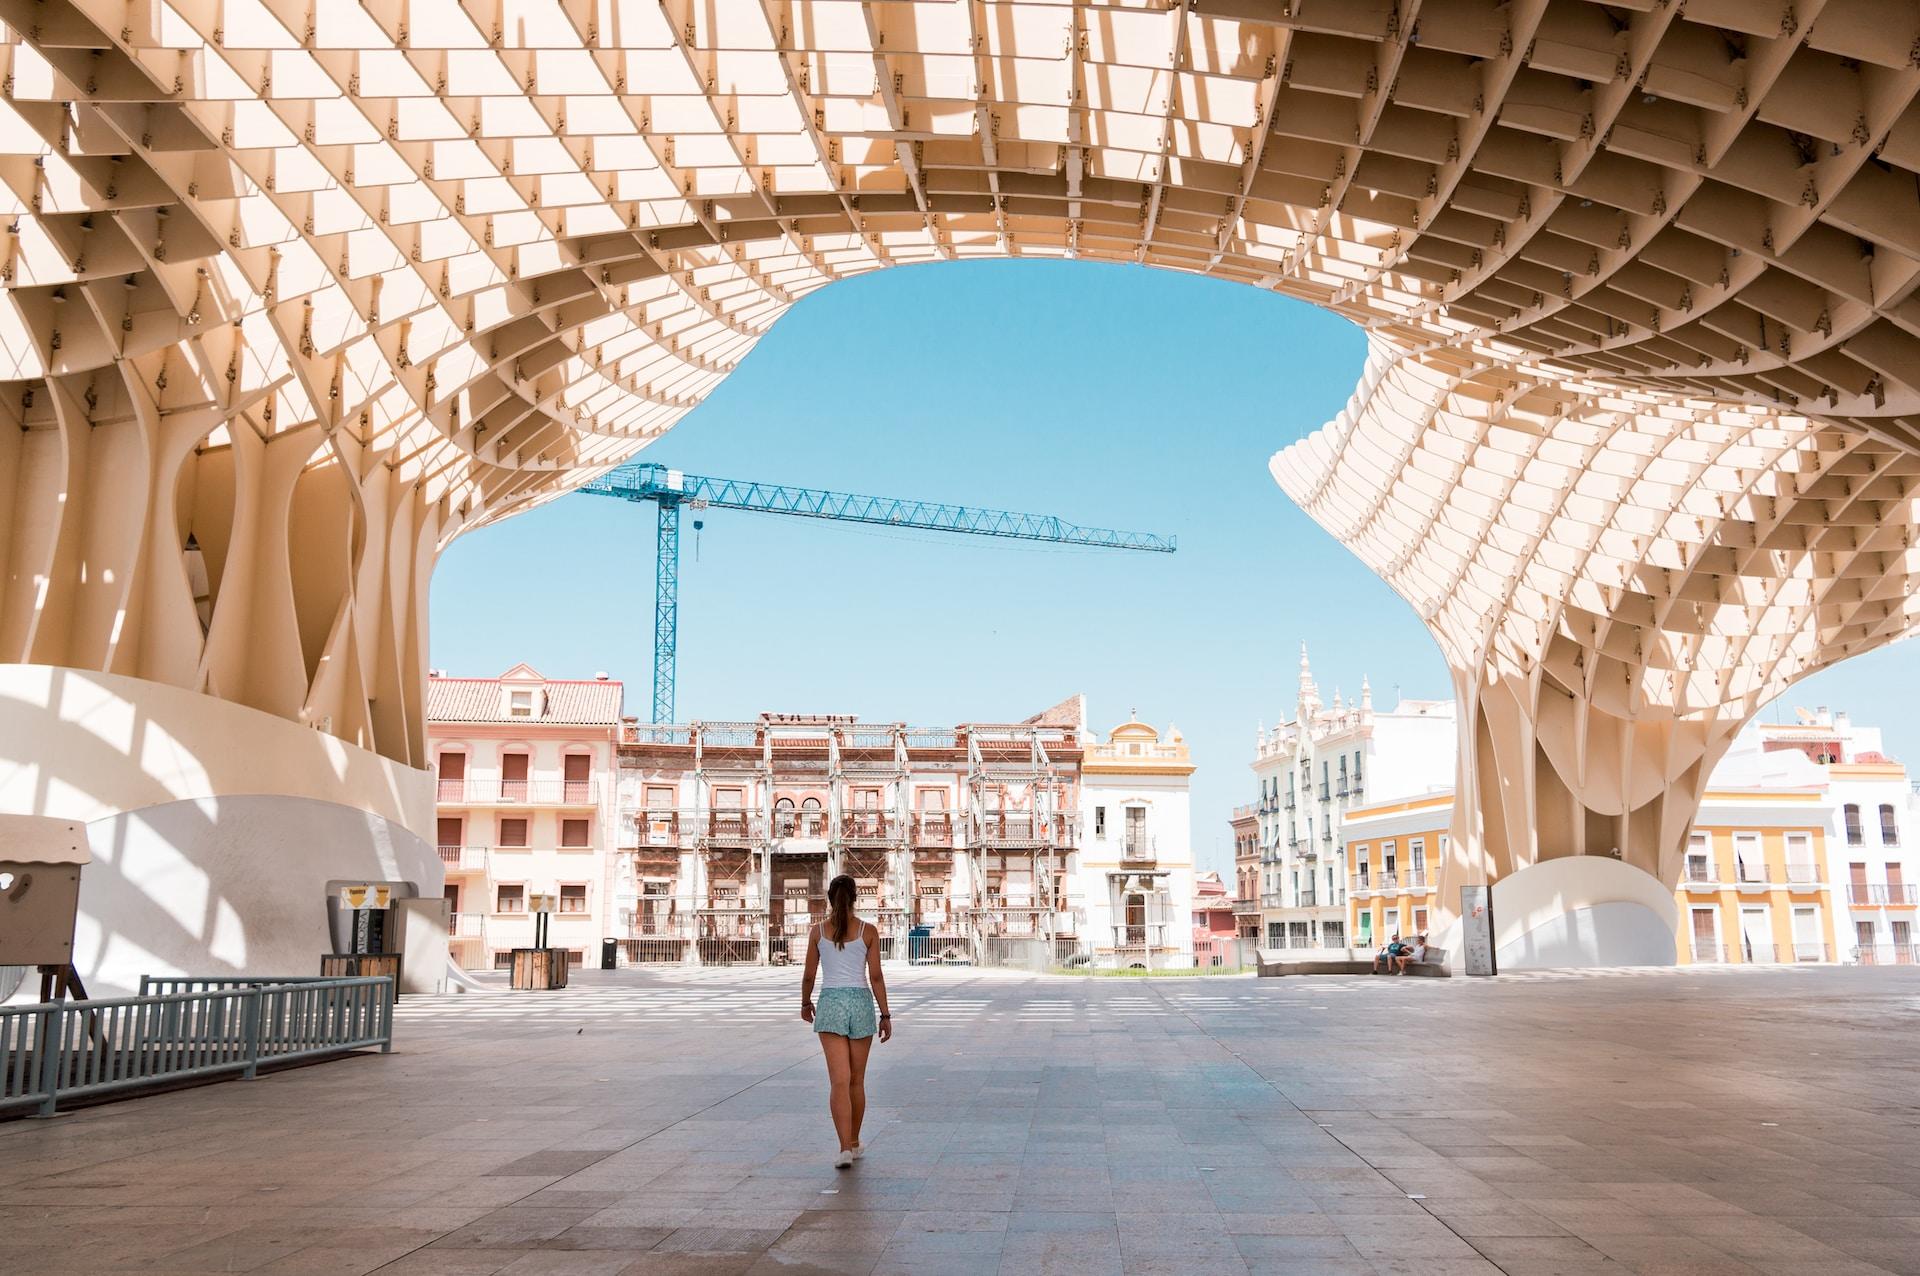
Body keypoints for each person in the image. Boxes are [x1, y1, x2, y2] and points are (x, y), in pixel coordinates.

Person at [800, 874, 893, 1168]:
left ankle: (842, 1149)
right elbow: (875, 976)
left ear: (829, 898)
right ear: (855, 898)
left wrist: (805, 1002)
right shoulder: (868, 931)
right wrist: (886, 1014)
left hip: (831, 1003)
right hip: (861, 1003)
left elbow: (809, 975)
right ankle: (854, 1142)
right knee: (856, 1081)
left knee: (838, 1081)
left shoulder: (818, 932)